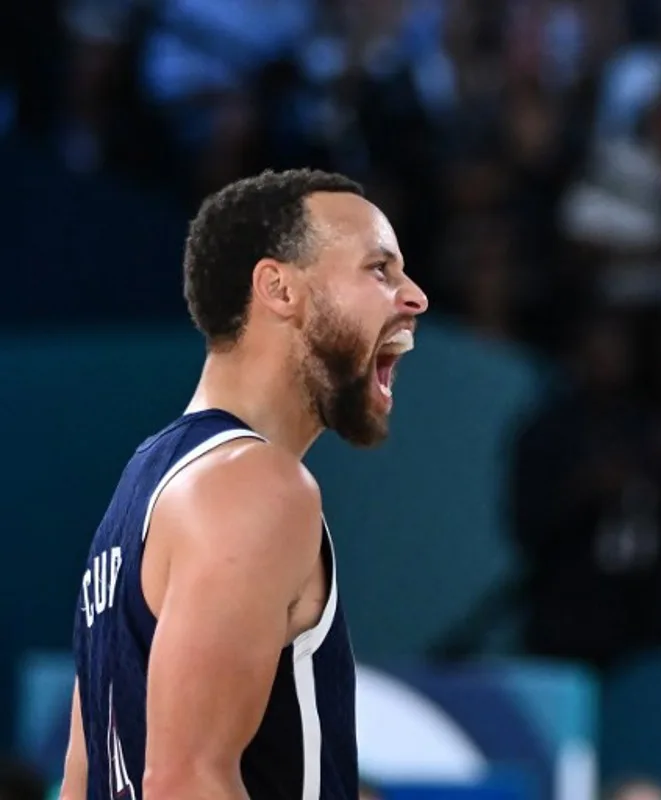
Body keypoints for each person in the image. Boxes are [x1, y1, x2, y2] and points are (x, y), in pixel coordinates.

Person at [60, 168, 429, 799]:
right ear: (278, 287)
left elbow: (80, 785)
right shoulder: (255, 484)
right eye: (379, 269)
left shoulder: (143, 490)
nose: (414, 296)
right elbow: (186, 780)